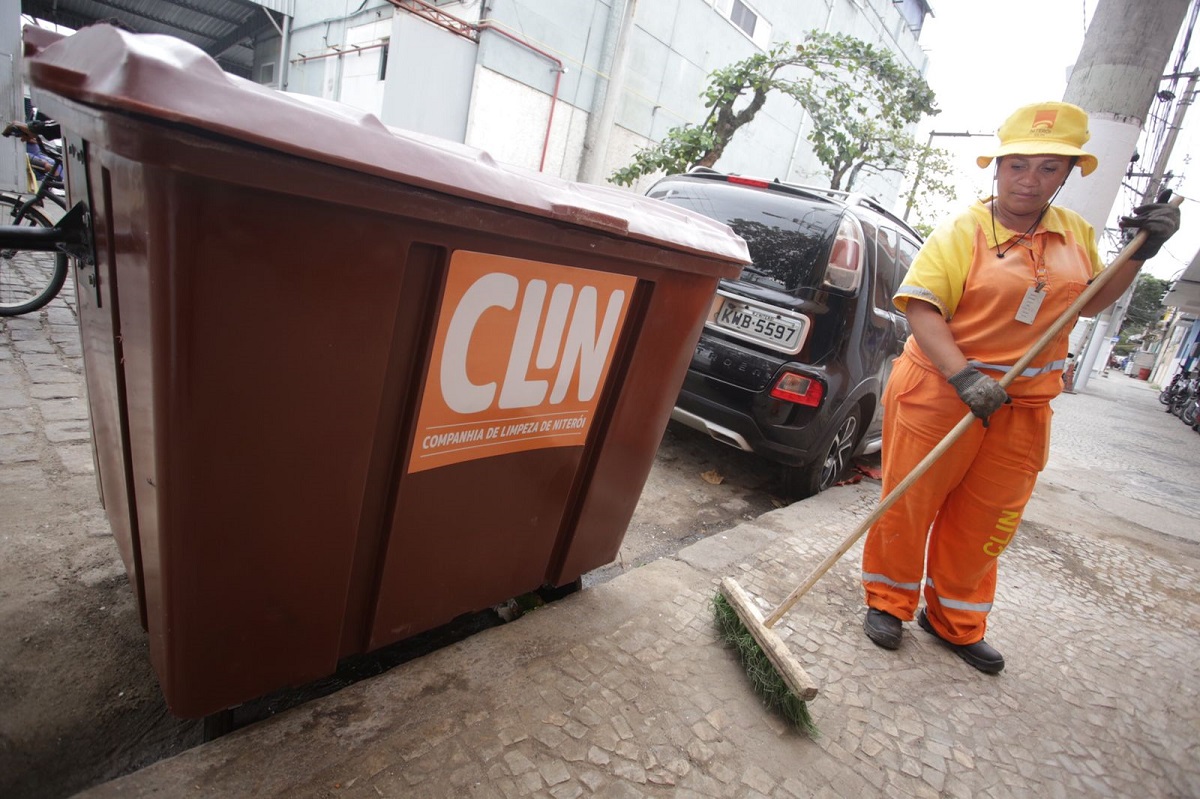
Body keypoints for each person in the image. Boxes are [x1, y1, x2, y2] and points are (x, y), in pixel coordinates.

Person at [859, 101, 1180, 674]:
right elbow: (923, 310)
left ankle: (954, 619)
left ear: (1067, 174)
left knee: (987, 519)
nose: (1030, 181)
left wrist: (1142, 255)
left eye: (1048, 168)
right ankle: (888, 601)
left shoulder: (1074, 234)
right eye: (1018, 166)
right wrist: (964, 376)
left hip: (1023, 408)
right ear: (998, 167)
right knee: (911, 503)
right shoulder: (964, 231)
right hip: (941, 390)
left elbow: (1089, 303)